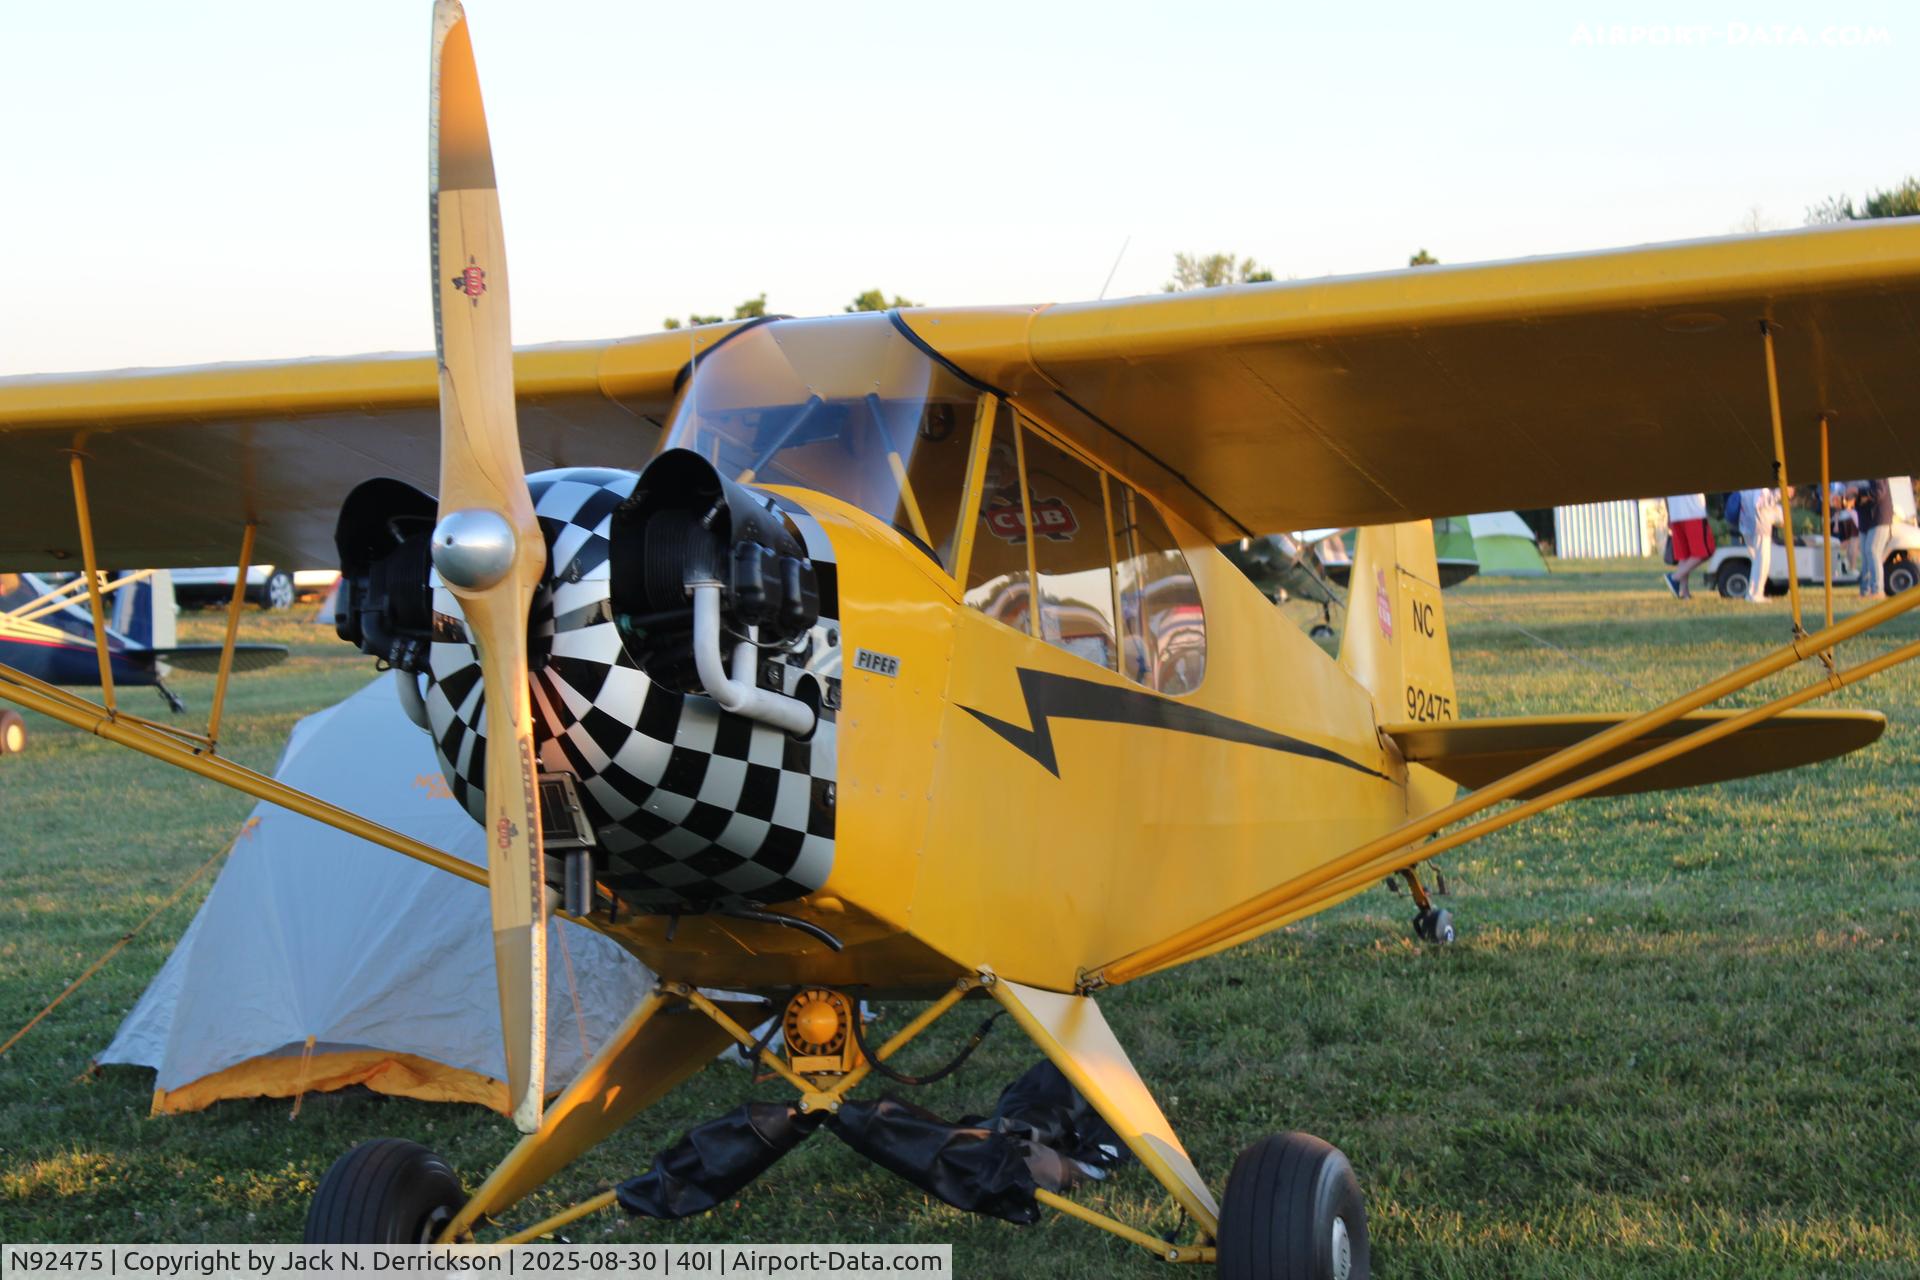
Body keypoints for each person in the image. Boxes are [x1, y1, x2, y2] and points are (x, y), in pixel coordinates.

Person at [1661, 494, 1712, 599]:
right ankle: (1675, 577)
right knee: (1706, 551)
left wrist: (1669, 513)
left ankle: (1684, 592)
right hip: (1694, 512)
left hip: (1676, 513)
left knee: (1684, 555)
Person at [1739, 485, 1781, 603]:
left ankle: (1752, 593)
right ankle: (1757, 593)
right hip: (1760, 525)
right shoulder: (1761, 485)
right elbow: (1760, 502)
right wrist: (1781, 492)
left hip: (1747, 524)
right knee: (1762, 561)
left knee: (1757, 561)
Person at [1859, 477, 1894, 598]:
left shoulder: (1875, 469)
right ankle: (1865, 591)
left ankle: (1878, 590)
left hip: (1880, 518)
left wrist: (1858, 492)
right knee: (1865, 553)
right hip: (1865, 520)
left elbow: (1880, 491)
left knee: (1872, 550)